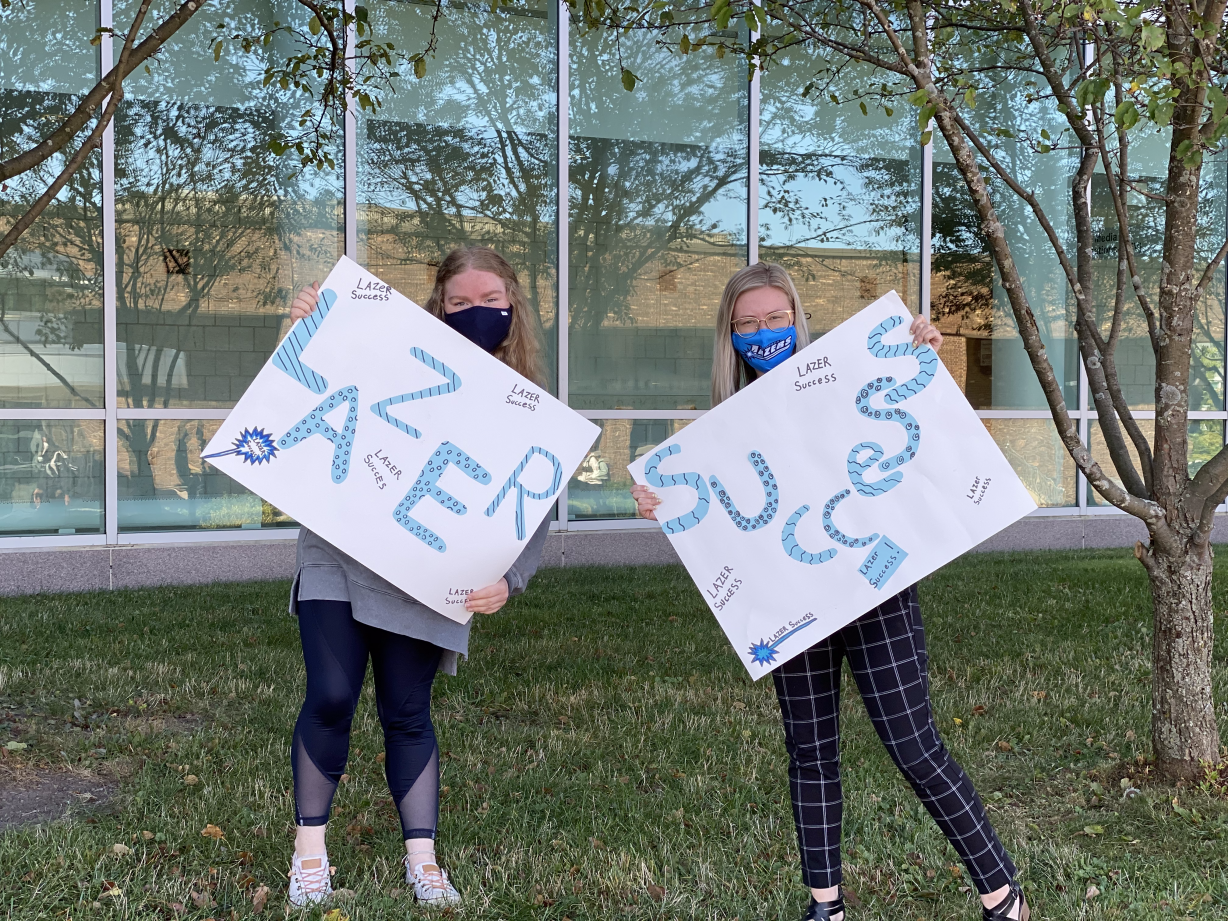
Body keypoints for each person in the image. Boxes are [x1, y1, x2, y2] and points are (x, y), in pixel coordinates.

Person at [631, 263, 1029, 921]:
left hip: (876, 588)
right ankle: (826, 907)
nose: (764, 333)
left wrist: (919, 355)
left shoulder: (843, 379)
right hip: (791, 603)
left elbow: (915, 426)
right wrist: (663, 500)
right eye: (748, 324)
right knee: (811, 752)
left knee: (914, 744)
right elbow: (717, 515)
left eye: (775, 318)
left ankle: (1002, 894)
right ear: (729, 335)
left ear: (797, 319)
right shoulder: (721, 431)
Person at [282, 247, 551, 908]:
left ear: (513, 308)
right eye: (459, 303)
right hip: (337, 556)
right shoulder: (386, 356)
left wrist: (511, 578)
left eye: (489, 301)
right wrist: (304, 335)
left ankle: (423, 861)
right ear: (436, 309)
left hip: (428, 576)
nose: (476, 313)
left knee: (406, 710)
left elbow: (534, 499)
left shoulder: (524, 406)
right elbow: (302, 393)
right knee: (331, 695)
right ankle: (309, 853)